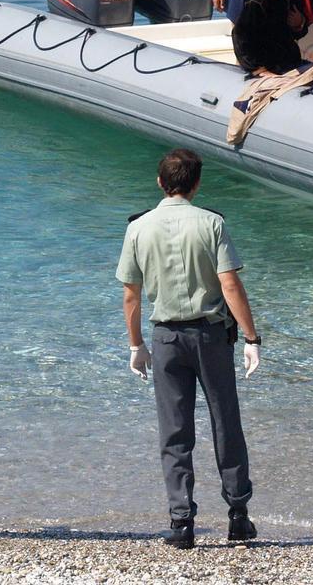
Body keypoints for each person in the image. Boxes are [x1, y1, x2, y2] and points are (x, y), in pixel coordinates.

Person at [118, 148, 262, 550]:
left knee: (174, 431)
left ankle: (181, 523)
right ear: (197, 185)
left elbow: (130, 296)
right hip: (210, 336)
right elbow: (230, 286)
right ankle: (238, 515)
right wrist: (252, 338)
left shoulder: (138, 228)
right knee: (225, 423)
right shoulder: (212, 224)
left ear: (160, 183)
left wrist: (135, 345)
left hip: (164, 337)